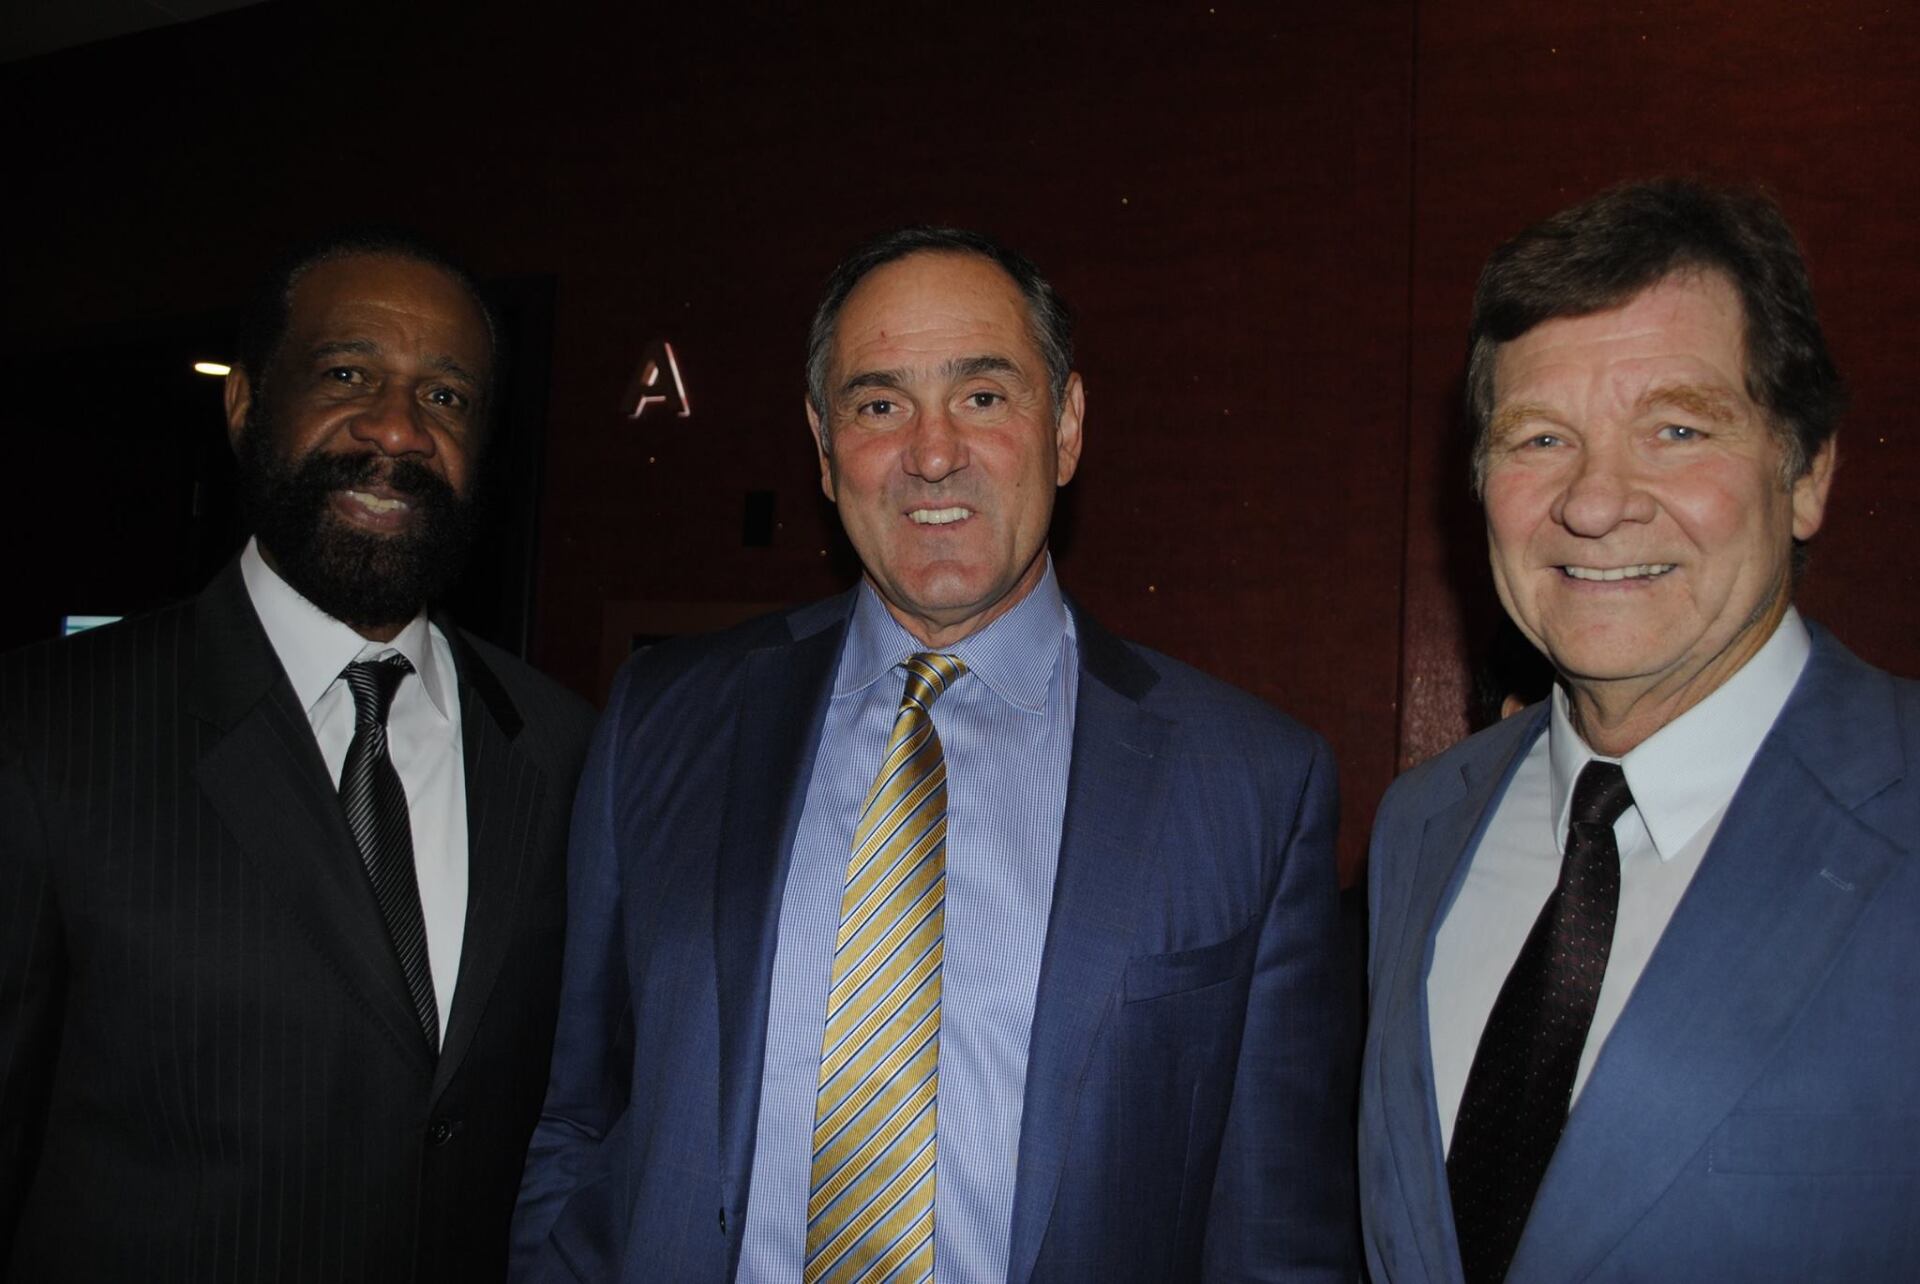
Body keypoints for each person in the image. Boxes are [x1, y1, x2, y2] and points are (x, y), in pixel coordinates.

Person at [513, 227, 1355, 1282]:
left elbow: (1277, 1235)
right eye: (879, 405)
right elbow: (580, 1119)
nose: (932, 452)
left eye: (983, 396)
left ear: (1068, 426)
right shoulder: (662, 718)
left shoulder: (1251, 783)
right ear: (823, 448)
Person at [0, 231, 597, 1282]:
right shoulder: (44, 729)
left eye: (446, 397)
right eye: (347, 375)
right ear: (244, 405)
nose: (397, 428)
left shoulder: (563, 747)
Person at [1360, 178, 1920, 1281]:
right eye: (1539, 438)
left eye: (1675, 428)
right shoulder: (1420, 826)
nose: (1594, 502)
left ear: (1808, 472)